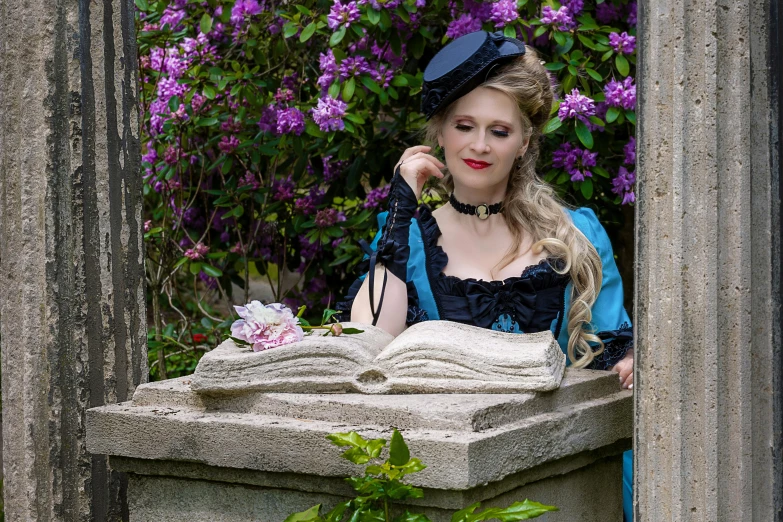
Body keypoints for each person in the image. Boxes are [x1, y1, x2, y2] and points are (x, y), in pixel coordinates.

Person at [336, 30, 634, 521]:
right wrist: (400, 203)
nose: (479, 145)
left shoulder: (577, 235)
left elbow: (613, 351)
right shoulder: (407, 240)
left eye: (499, 131)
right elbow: (369, 339)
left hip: (559, 477)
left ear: (523, 144)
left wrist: (631, 363)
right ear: (440, 132)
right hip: (443, 481)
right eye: (464, 125)